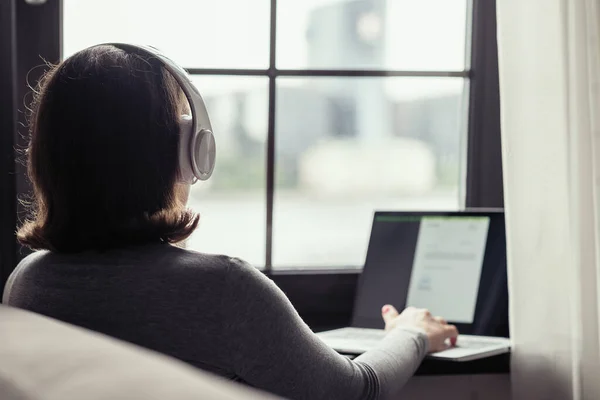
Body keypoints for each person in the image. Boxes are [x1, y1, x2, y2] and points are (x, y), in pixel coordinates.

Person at [3, 44, 459, 400]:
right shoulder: (223, 288)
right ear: (186, 152)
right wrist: (411, 334)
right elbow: (356, 391)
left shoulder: (27, 283)